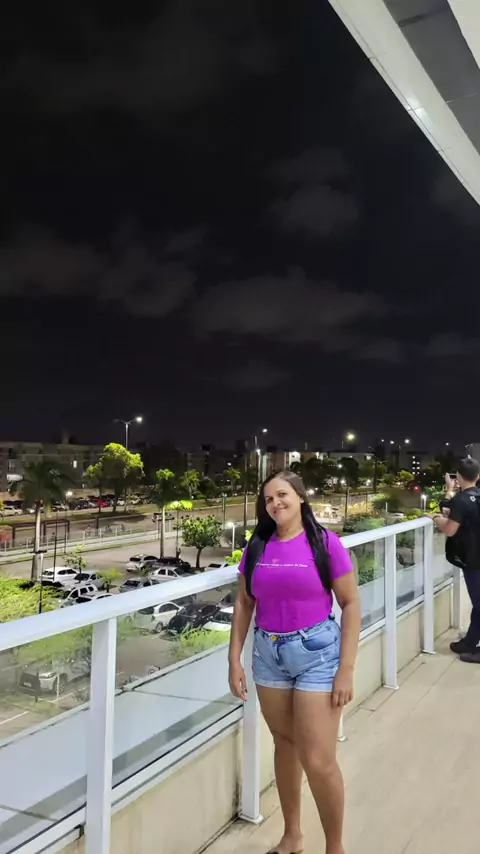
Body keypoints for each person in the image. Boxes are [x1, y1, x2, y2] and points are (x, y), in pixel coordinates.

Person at [229, 471, 360, 854]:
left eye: (282, 495)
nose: (275, 503)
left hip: (317, 655)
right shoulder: (257, 545)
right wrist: (234, 659)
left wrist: (346, 668)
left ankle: (335, 847)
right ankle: (292, 836)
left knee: (318, 760)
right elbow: (244, 602)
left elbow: (351, 603)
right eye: (269, 498)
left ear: (301, 497)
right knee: (284, 745)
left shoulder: (325, 543)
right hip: (268, 656)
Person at [432, 457, 480, 663]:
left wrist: (436, 519)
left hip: (474, 560)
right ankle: (469, 642)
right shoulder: (473, 497)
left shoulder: (462, 500)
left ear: (458, 477)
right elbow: (451, 508)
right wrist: (450, 492)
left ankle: (473, 646)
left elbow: (450, 529)